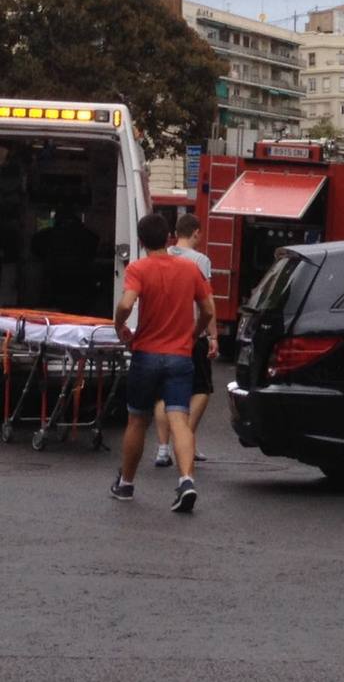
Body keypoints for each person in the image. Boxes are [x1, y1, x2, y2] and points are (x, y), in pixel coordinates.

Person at [110, 214, 214, 513]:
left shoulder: (138, 269)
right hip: (180, 355)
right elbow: (207, 309)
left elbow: (127, 303)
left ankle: (126, 484)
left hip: (146, 354)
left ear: (141, 242)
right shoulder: (189, 269)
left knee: (137, 419)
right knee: (179, 419)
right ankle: (185, 480)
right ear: (169, 236)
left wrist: (121, 327)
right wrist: (194, 335)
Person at [153, 213, 218, 468]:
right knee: (201, 390)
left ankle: (162, 448)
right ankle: (186, 439)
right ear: (196, 233)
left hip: (163, 334)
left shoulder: (163, 254)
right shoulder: (200, 260)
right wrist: (213, 335)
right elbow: (207, 302)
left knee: (163, 393)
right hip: (191, 333)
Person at [31, 205, 99, 316]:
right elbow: (93, 250)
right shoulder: (87, 235)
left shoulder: (45, 235)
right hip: (78, 278)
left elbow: (35, 250)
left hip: (55, 277)